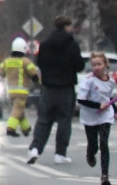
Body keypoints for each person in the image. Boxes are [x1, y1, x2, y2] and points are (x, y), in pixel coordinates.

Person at [28, 15, 84, 165]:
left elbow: (40, 62)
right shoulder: (71, 44)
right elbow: (79, 65)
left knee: (44, 120)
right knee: (64, 121)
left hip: (48, 88)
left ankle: (35, 149)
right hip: (66, 88)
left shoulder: (45, 44)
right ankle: (60, 154)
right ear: (66, 27)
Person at [76, 52, 117, 185]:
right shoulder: (88, 80)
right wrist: (97, 106)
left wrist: (115, 111)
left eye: (99, 64)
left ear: (105, 65)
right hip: (90, 116)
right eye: (94, 65)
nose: (96, 67)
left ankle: (105, 176)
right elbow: (81, 100)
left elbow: (109, 96)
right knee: (93, 144)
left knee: (104, 143)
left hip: (105, 115)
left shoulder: (110, 80)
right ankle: (90, 153)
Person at [0, 37, 40, 138]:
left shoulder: (7, 61)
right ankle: (10, 128)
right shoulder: (25, 61)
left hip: (10, 91)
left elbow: (0, 72)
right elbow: (33, 74)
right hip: (21, 91)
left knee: (19, 109)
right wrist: (39, 83)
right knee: (18, 109)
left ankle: (26, 128)